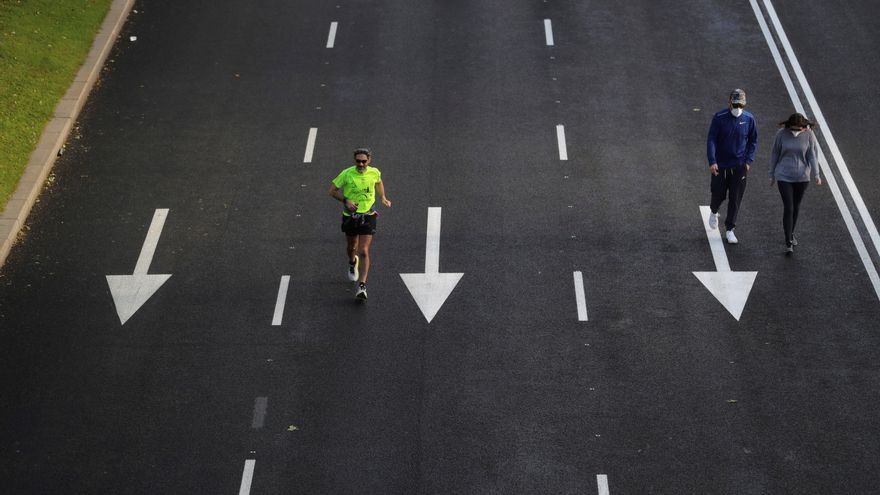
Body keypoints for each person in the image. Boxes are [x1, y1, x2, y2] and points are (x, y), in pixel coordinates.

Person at [328, 148, 392, 299]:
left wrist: (383, 197)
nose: (361, 164)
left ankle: (362, 286)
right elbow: (332, 191)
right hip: (350, 216)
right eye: (358, 161)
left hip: (369, 215)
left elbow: (379, 182)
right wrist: (346, 200)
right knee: (352, 247)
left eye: (364, 161)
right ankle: (352, 262)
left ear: (369, 160)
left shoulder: (374, 172)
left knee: (363, 250)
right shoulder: (347, 173)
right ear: (354, 160)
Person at [706, 88, 758, 244]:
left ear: (744, 104)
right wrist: (712, 161)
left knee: (735, 198)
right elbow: (712, 140)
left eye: (740, 105)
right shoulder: (719, 117)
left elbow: (753, 140)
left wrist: (748, 161)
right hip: (720, 165)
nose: (737, 108)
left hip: (739, 166)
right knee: (718, 193)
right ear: (729, 102)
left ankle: (730, 229)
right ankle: (714, 211)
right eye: (735, 104)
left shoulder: (749, 119)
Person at [768, 113, 822, 254]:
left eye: (801, 129)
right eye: (795, 128)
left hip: (802, 178)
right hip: (784, 176)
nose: (798, 131)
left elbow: (812, 155)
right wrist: (771, 174)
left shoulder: (809, 134)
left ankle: (791, 233)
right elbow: (775, 153)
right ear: (789, 126)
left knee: (796, 207)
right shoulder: (781, 134)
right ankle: (788, 241)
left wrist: (816, 174)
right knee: (789, 207)